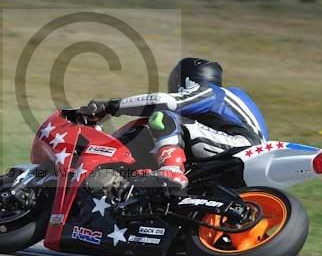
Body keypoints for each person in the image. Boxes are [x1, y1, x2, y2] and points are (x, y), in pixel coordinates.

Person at [83, 58, 268, 188]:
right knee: (157, 128)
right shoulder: (215, 112)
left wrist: (109, 106)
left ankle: (171, 170)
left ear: (186, 79)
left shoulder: (213, 93)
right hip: (233, 151)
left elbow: (166, 102)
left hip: (242, 145)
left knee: (162, 117)